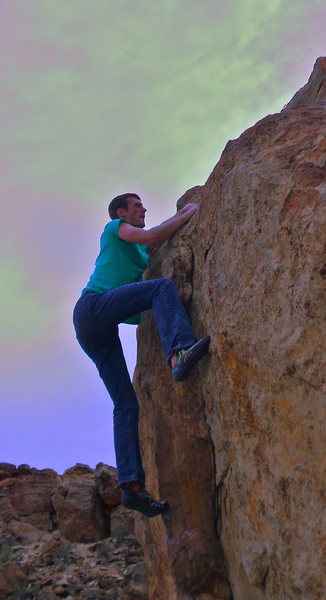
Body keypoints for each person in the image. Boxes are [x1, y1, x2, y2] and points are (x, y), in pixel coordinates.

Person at [73, 193, 210, 518]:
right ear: (121, 212)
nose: (143, 208)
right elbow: (151, 237)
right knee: (161, 287)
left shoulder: (138, 254)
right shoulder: (114, 228)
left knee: (125, 403)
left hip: (96, 328)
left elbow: (147, 252)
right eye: (137, 205)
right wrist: (189, 212)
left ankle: (131, 487)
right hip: (92, 309)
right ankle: (179, 354)